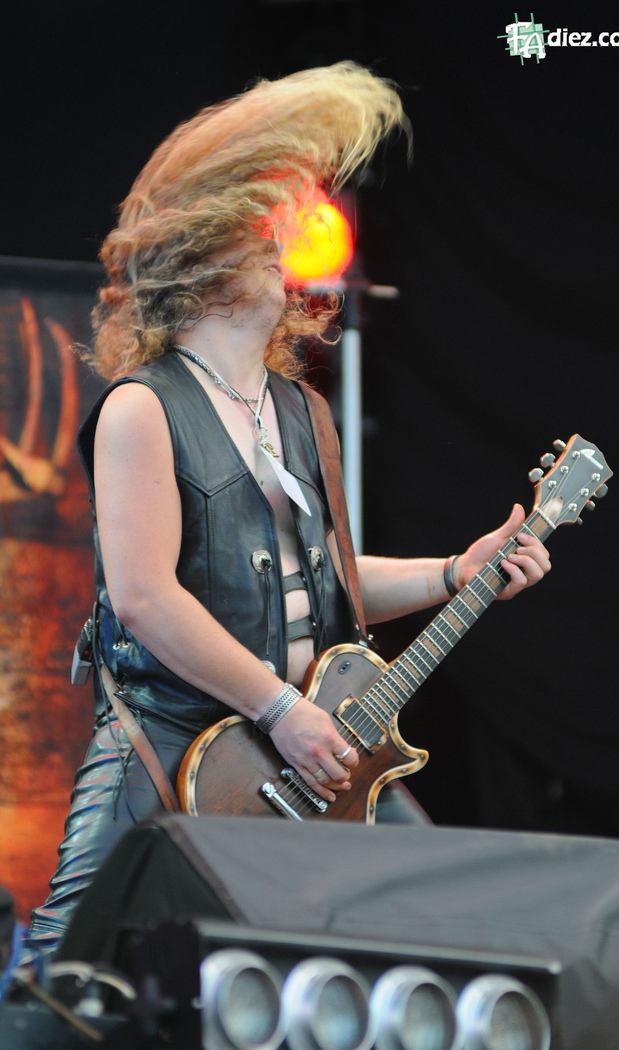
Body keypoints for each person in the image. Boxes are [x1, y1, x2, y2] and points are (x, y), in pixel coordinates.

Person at [26, 63, 551, 959]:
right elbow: (146, 600)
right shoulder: (143, 407)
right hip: (176, 733)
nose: (284, 244)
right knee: (66, 962)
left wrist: (452, 573)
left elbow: (326, 585)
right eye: (259, 228)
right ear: (200, 251)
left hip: (307, 742)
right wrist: (278, 710)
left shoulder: (301, 411)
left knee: (436, 929)